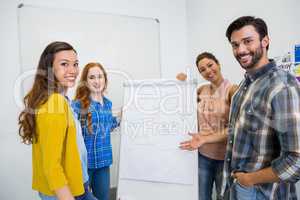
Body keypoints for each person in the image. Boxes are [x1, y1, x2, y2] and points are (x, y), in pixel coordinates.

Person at [221, 16, 300, 200]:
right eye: (235, 44)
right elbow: (236, 133)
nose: (240, 50)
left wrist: (249, 180)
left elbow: (296, 160)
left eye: (248, 41)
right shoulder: (243, 86)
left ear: (265, 41)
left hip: (262, 192)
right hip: (236, 186)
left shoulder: (282, 86)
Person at [18, 41, 97, 200]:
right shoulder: (55, 102)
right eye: (64, 64)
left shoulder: (62, 100)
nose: (72, 70)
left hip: (76, 184)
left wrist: (83, 182)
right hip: (64, 192)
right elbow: (51, 165)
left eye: (75, 64)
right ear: (49, 69)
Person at [178, 52, 238, 200]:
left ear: (218, 64)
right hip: (202, 156)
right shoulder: (201, 90)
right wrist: (182, 84)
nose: (208, 71)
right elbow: (180, 100)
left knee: (223, 197)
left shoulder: (232, 90)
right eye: (202, 70)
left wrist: (206, 139)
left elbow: (236, 128)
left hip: (224, 158)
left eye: (210, 65)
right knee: (201, 196)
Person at [72, 62, 120, 200]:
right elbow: (74, 136)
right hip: (85, 164)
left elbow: (107, 127)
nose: (97, 81)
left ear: (105, 79)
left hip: (104, 161)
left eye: (100, 76)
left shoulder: (108, 103)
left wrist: (122, 115)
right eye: (92, 77)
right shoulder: (78, 104)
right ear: (85, 82)